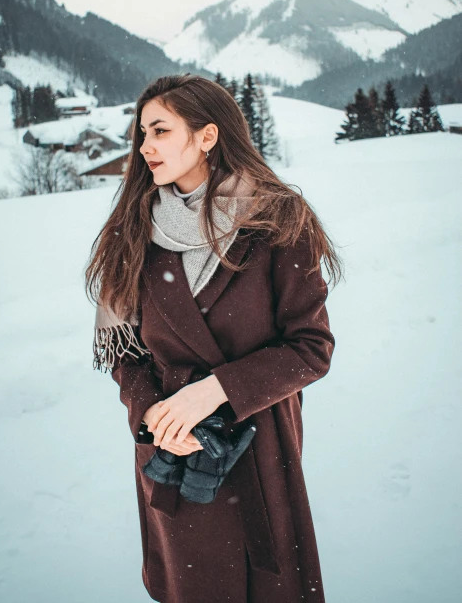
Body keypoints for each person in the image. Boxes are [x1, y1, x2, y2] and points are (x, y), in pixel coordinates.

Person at [85, 73, 343, 603]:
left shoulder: (276, 219)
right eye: (141, 134)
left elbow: (311, 349)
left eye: (160, 130)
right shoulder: (132, 231)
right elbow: (125, 353)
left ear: (206, 137)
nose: (145, 146)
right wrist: (153, 414)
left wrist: (215, 390)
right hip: (174, 458)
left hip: (259, 445)